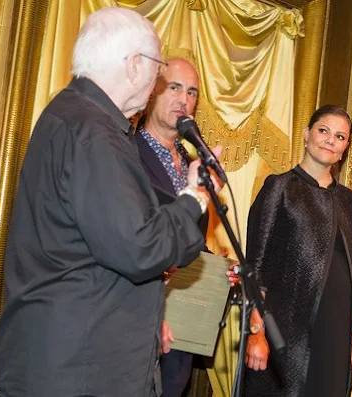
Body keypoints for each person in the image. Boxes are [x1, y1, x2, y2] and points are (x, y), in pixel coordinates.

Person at [0, 8, 223, 397]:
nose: (157, 82)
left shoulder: (70, 116)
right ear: (135, 65)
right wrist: (194, 196)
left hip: (69, 357)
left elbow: (109, 241)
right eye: (158, 69)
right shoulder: (94, 132)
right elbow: (140, 249)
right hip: (80, 366)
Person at [242, 105, 352, 397]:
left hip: (335, 332)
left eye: (340, 136)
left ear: (345, 149)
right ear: (307, 135)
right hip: (284, 329)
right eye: (323, 131)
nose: (330, 140)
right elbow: (256, 268)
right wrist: (257, 334)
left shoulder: (350, 202)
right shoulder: (279, 187)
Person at [135, 57, 238, 397]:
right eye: (174, 87)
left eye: (192, 92)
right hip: (135, 313)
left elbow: (191, 236)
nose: (184, 99)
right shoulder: (126, 153)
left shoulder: (196, 162)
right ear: (151, 92)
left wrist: (217, 267)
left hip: (184, 320)